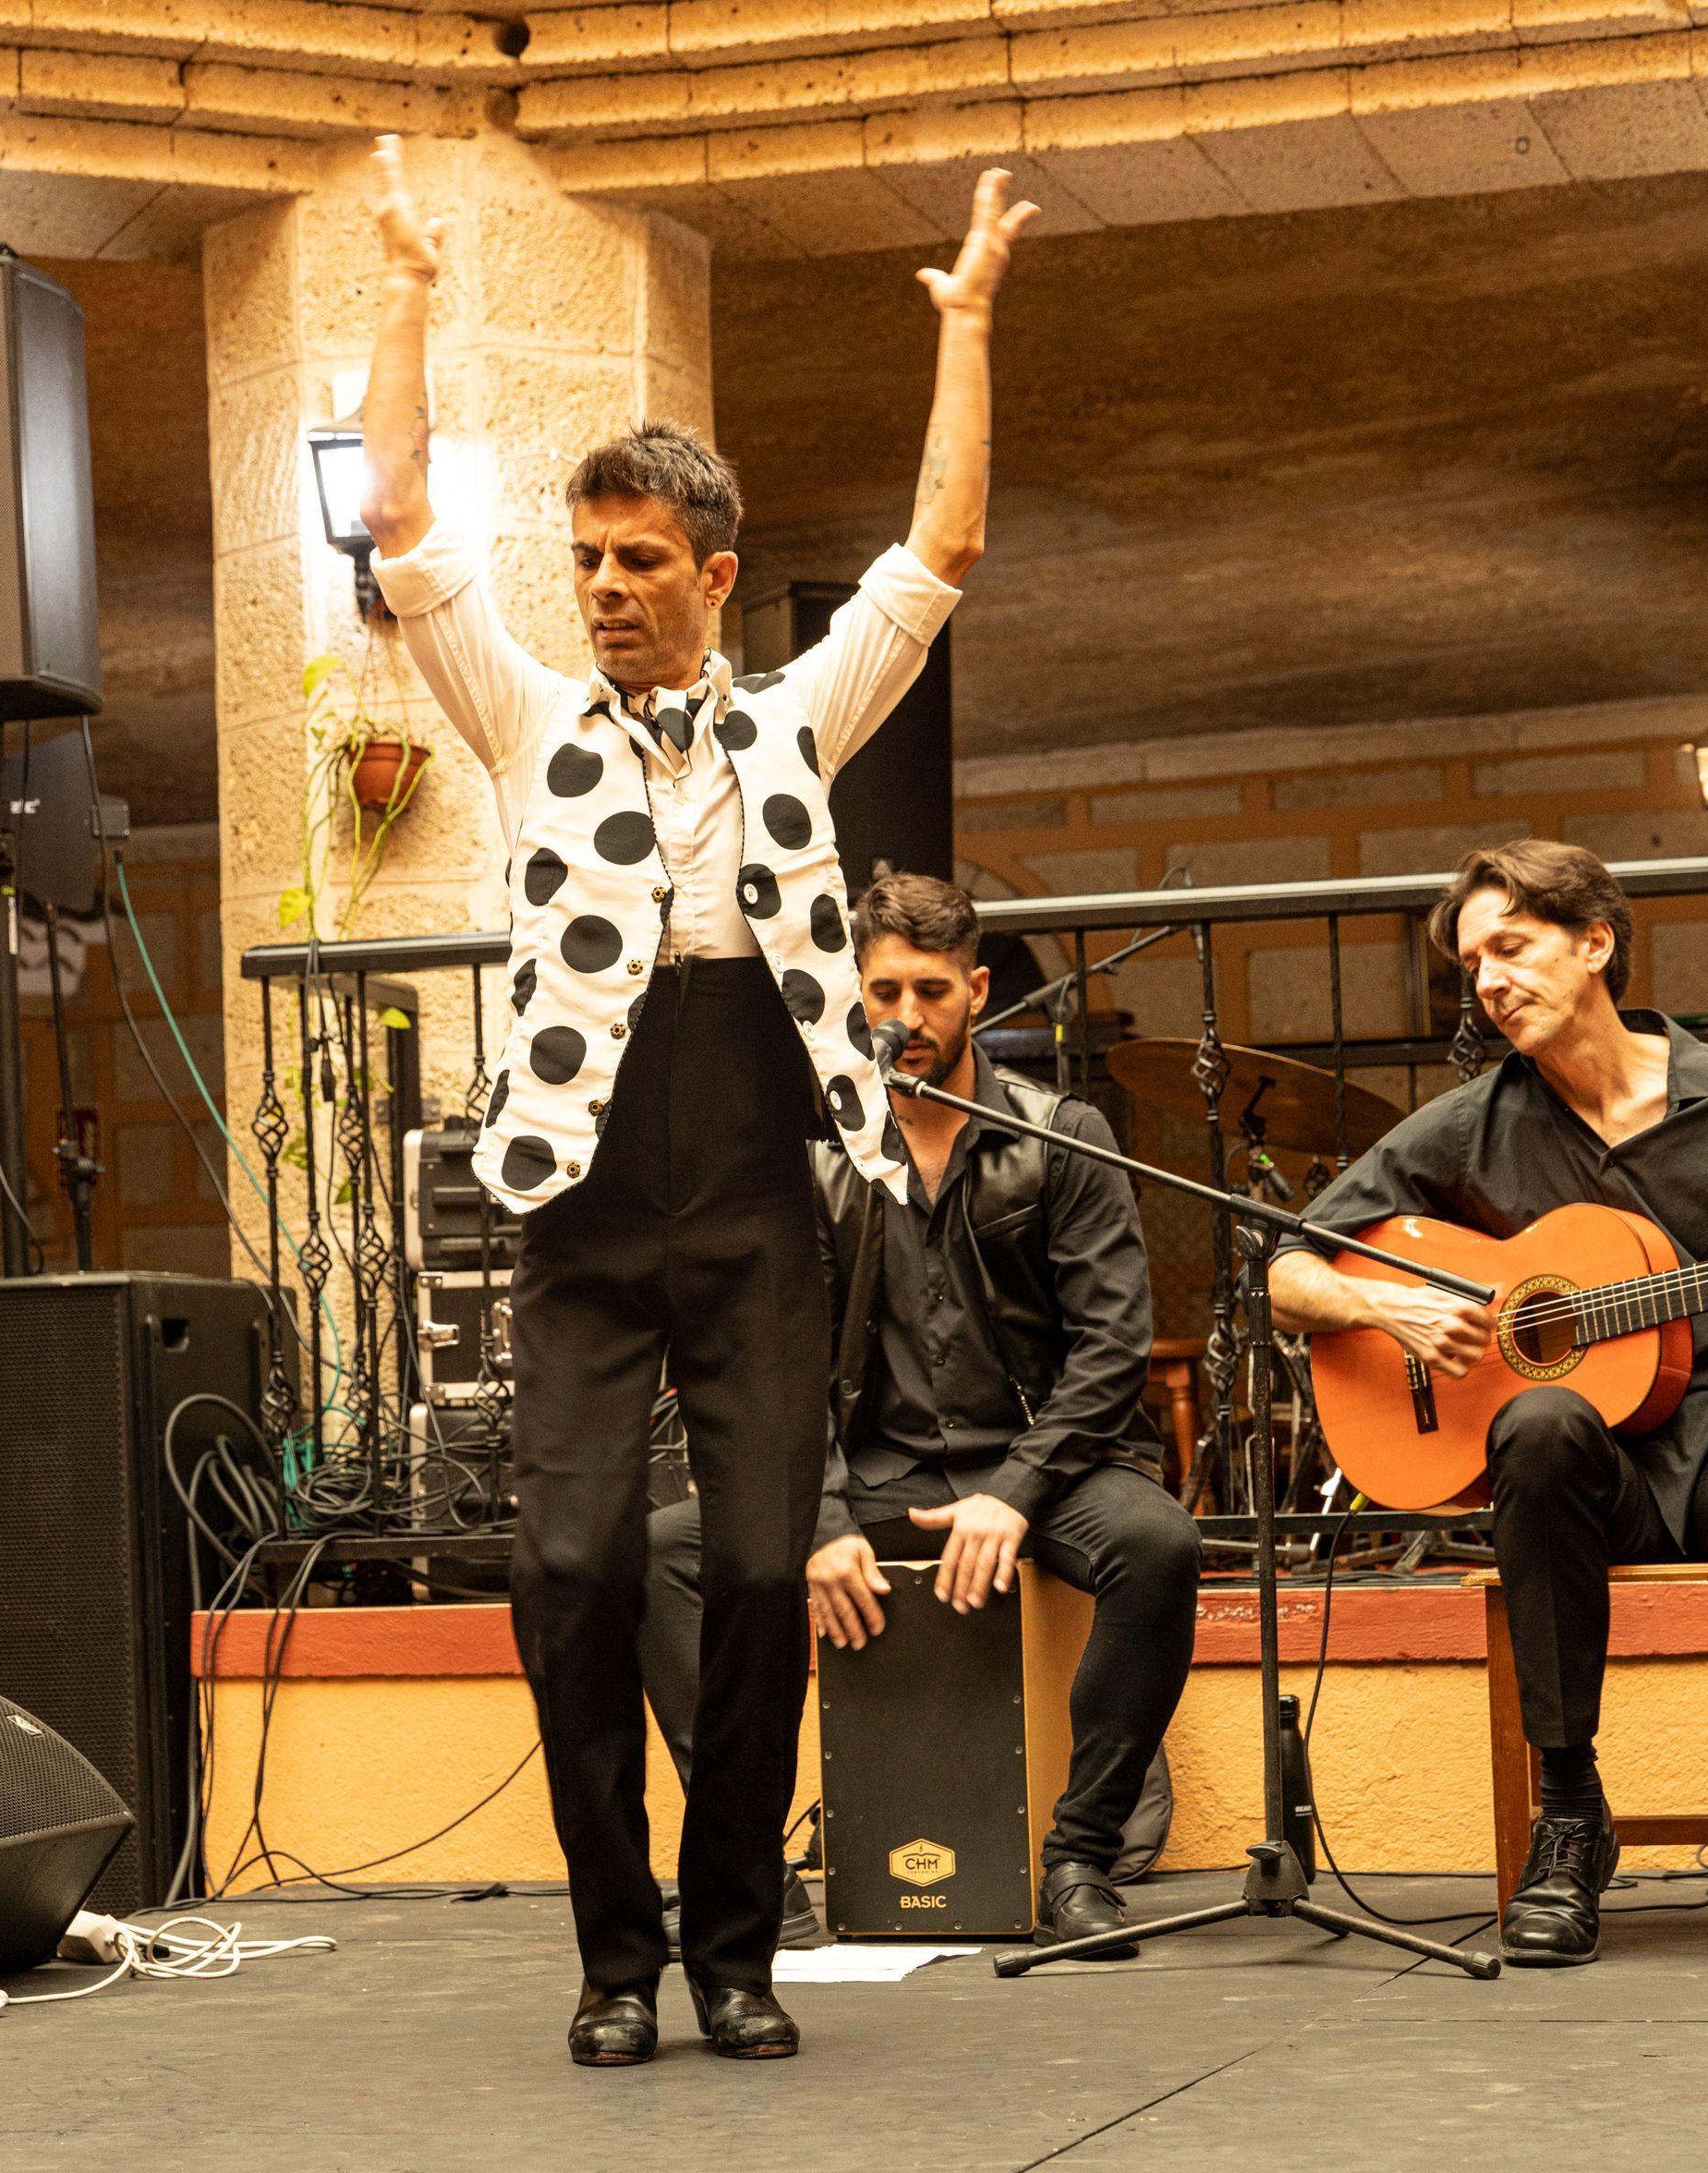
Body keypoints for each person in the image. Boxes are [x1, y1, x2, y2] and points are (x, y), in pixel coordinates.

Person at [357, 135, 1036, 2066]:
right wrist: (403, 296)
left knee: (754, 1570)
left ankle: (734, 1950)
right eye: (586, 559)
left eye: (638, 561)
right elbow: (397, 512)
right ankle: (614, 1956)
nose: (601, 589)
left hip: (750, 1198)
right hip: (581, 1201)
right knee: (563, 1567)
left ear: (714, 576)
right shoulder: (524, 713)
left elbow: (943, 549)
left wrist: (967, 323)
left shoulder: (794, 717)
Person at [640, 873, 1204, 1956]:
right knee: (665, 1555)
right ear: (852, 997)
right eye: (885, 991)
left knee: (1159, 1545)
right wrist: (818, 1520)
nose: (907, 1016)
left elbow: (1111, 1352)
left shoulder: (1064, 1137)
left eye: (932, 991)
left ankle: (1079, 1857)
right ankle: (749, 1870)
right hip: (875, 1477)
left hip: (1047, 1473)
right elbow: (775, 1361)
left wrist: (1017, 1492)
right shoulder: (805, 1154)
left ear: (976, 992)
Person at [1270, 840, 1708, 1966]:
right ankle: (1571, 1814)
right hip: (1595, 1482)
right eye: (1472, 965)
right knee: (1537, 1423)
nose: (1489, 983)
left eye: (1511, 948)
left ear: (1595, 944)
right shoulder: (1470, 1125)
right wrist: (1381, 1307)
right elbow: (1286, 1270)